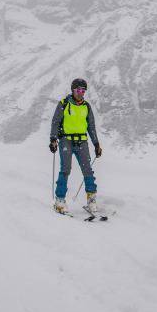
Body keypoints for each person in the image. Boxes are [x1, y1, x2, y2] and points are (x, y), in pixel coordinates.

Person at [50, 78, 102, 214]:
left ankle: (91, 200)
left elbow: (91, 126)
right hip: (66, 140)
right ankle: (60, 200)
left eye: (83, 91)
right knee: (65, 170)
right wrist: (53, 139)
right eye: (78, 90)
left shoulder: (86, 106)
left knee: (88, 171)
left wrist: (96, 144)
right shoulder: (64, 103)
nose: (81, 93)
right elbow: (55, 122)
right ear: (73, 90)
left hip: (82, 141)